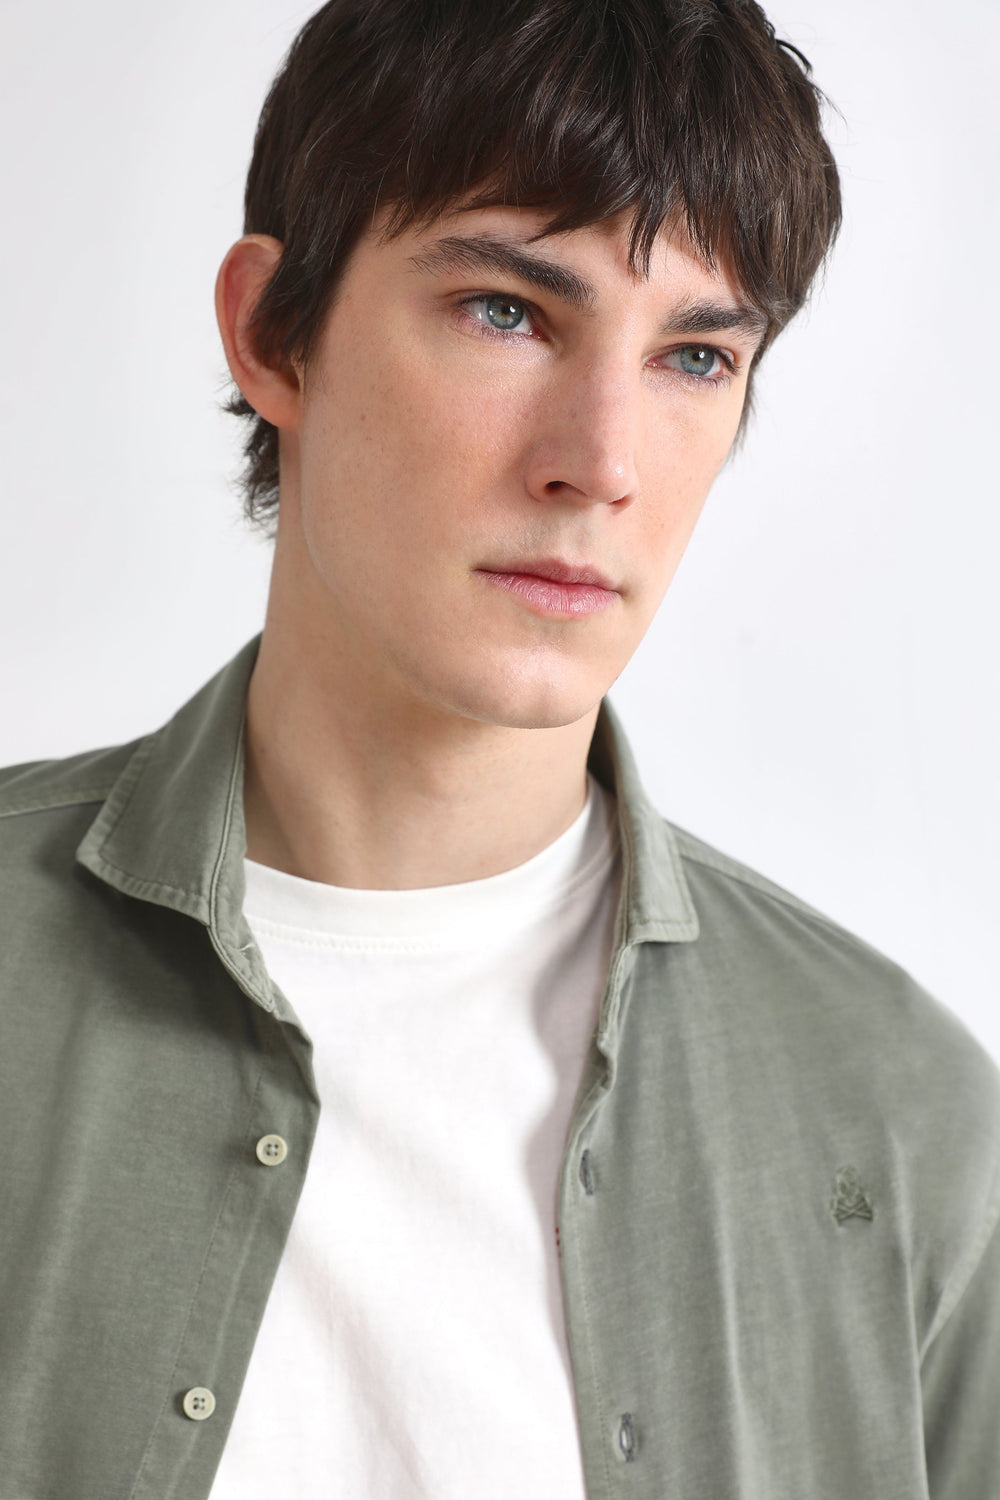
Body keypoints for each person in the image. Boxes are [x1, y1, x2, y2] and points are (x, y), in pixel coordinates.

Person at [1, 0, 997, 1495]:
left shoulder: (902, 1120)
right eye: (508, 312)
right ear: (274, 333)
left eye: (694, 356)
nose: (601, 463)